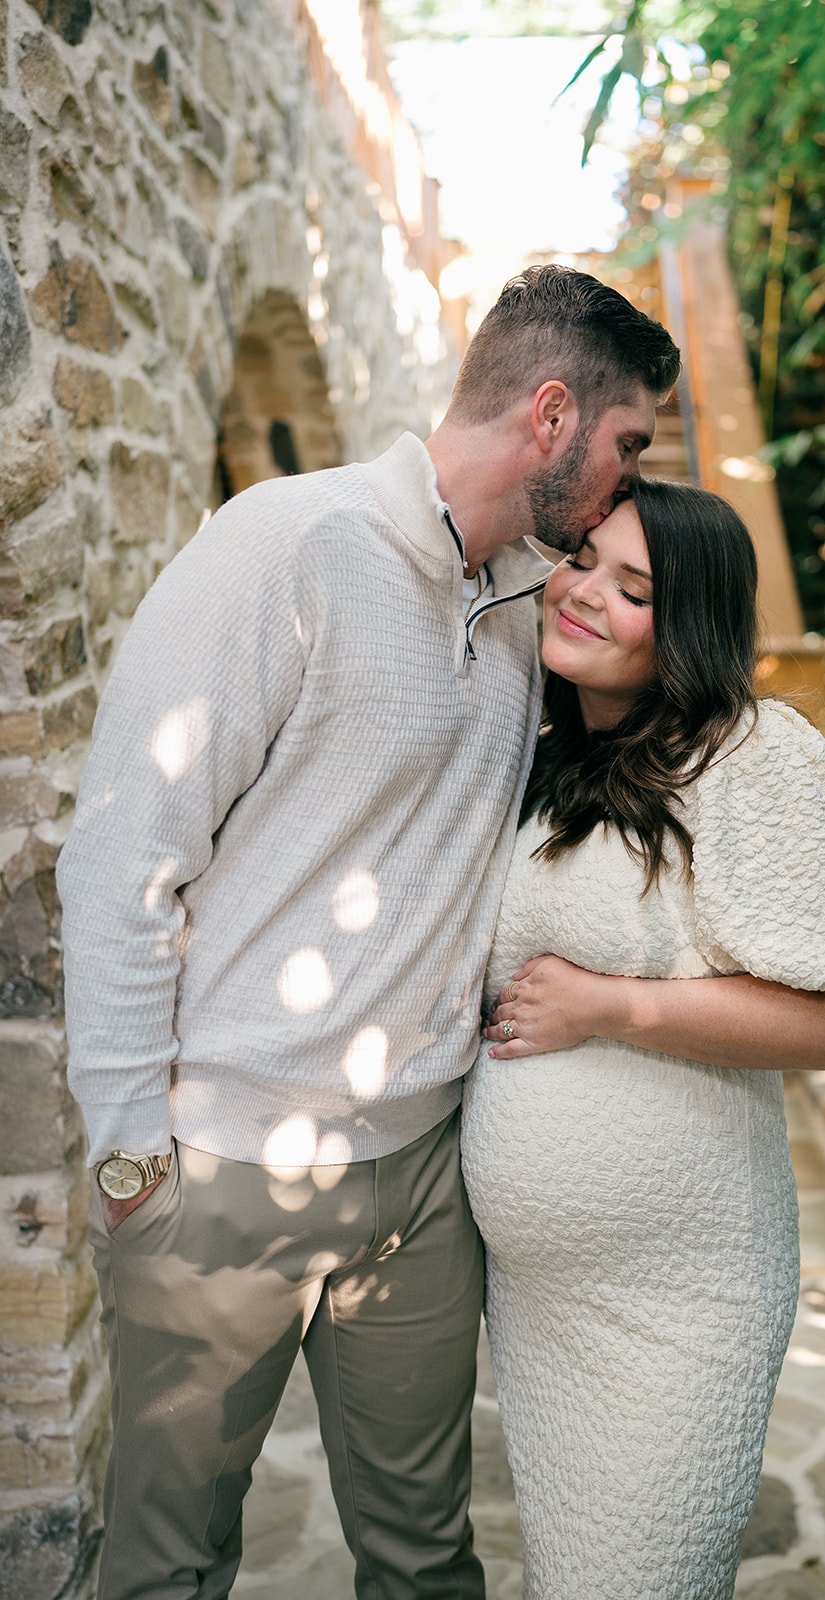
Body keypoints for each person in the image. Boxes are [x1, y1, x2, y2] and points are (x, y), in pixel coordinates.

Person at [55, 265, 681, 1600]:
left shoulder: (531, 603)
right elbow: (122, 856)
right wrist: (128, 1159)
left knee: (424, 1561)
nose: (625, 480)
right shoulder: (282, 545)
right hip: (220, 1175)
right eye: (626, 444)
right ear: (551, 414)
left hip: (417, 1188)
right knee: (167, 1566)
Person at [461, 477, 825, 1600]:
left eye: (634, 588)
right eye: (580, 563)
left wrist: (610, 1004)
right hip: (541, 1301)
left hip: (680, 1298)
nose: (582, 596)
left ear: (690, 622)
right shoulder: (544, 753)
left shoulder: (748, 752)